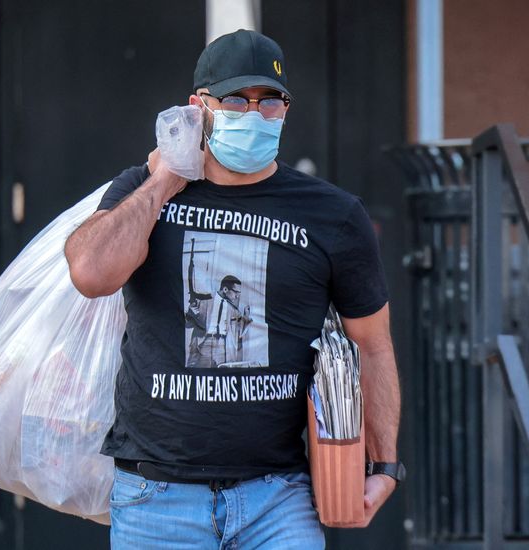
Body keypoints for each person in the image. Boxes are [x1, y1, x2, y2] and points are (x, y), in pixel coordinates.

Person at [65, 29, 401, 549]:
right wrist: (165, 179)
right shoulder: (145, 192)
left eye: (270, 100)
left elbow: (373, 345)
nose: (255, 113)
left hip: (280, 497)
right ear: (199, 107)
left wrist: (383, 465)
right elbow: (90, 273)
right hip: (156, 497)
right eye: (235, 100)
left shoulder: (334, 214)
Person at [187, 274, 252, 368]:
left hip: (223, 345)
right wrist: (190, 313)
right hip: (204, 342)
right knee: (201, 372)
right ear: (225, 289)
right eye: (236, 292)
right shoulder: (204, 301)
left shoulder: (234, 310)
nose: (237, 296)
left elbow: (240, 332)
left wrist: (246, 316)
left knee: (220, 373)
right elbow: (188, 323)